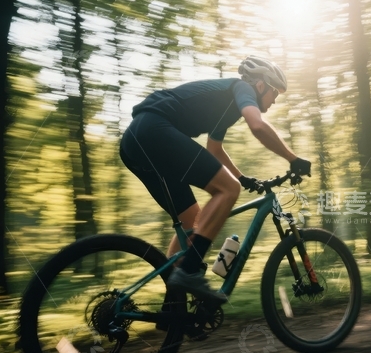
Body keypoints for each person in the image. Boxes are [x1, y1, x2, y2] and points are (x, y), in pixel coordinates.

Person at [119, 56, 311, 307]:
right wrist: (292, 158)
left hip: (135, 141)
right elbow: (258, 125)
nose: (274, 100)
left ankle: (173, 307)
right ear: (261, 85)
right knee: (227, 189)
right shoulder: (241, 88)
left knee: (192, 222)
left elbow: (214, 148)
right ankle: (188, 272)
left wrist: (242, 178)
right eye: (275, 92)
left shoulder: (226, 108)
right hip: (154, 130)